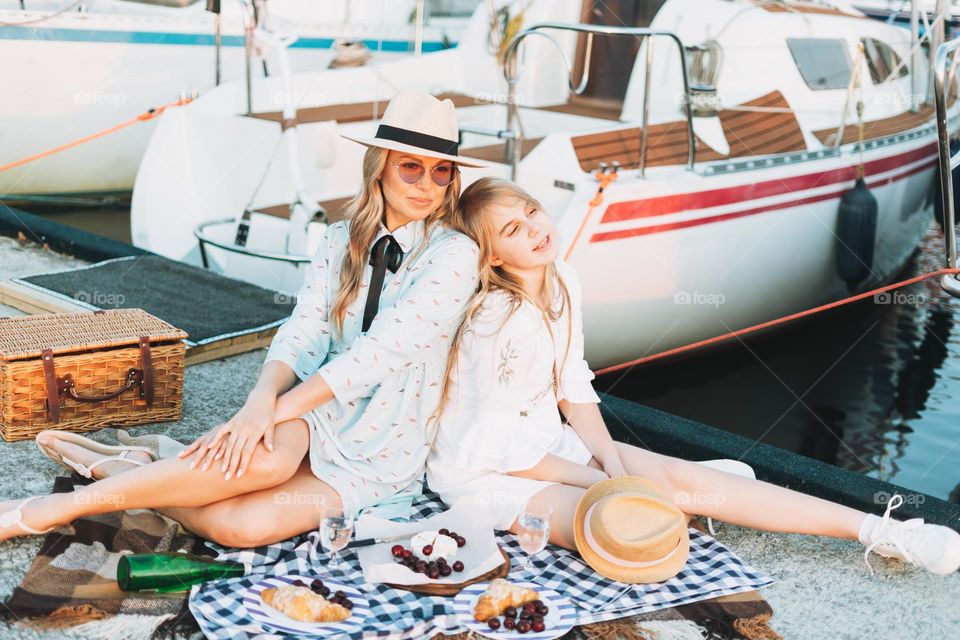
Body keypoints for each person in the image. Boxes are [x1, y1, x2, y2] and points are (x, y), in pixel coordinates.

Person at [0, 91, 483, 547]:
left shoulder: (454, 253)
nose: (426, 184)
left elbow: (379, 355)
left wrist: (268, 414)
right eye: (411, 167)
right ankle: (54, 508)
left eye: (441, 171)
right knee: (269, 460)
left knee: (241, 527)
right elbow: (305, 329)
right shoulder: (340, 239)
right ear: (380, 169)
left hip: (387, 434)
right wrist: (259, 400)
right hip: (317, 406)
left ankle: (128, 471)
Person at [426, 177, 960, 577]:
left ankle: (883, 530)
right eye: (514, 229)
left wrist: (612, 461)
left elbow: (572, 387)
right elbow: (501, 451)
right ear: (492, 255)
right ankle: (695, 493)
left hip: (546, 445)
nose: (537, 229)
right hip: (490, 474)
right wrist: (610, 481)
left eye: (532, 211)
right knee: (629, 530)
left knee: (669, 487)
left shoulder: (561, 278)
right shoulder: (498, 322)